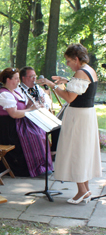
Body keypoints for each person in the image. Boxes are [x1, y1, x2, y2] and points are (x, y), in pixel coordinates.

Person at [37, 43, 101, 204]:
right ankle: (85, 190)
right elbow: (82, 88)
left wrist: (53, 86)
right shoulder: (89, 70)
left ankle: (81, 191)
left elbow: (69, 97)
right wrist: (67, 80)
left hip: (79, 116)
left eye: (68, 61)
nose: (67, 64)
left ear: (76, 59)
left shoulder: (80, 72)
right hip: (86, 114)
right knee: (82, 151)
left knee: (76, 151)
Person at [0, 67, 52, 178]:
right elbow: (14, 114)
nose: (18, 81)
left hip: (18, 124)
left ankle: (42, 166)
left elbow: (22, 109)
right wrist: (30, 109)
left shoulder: (15, 92)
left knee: (40, 131)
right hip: (8, 128)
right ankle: (33, 168)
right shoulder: (4, 94)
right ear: (8, 80)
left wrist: (30, 105)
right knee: (34, 135)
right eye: (15, 79)